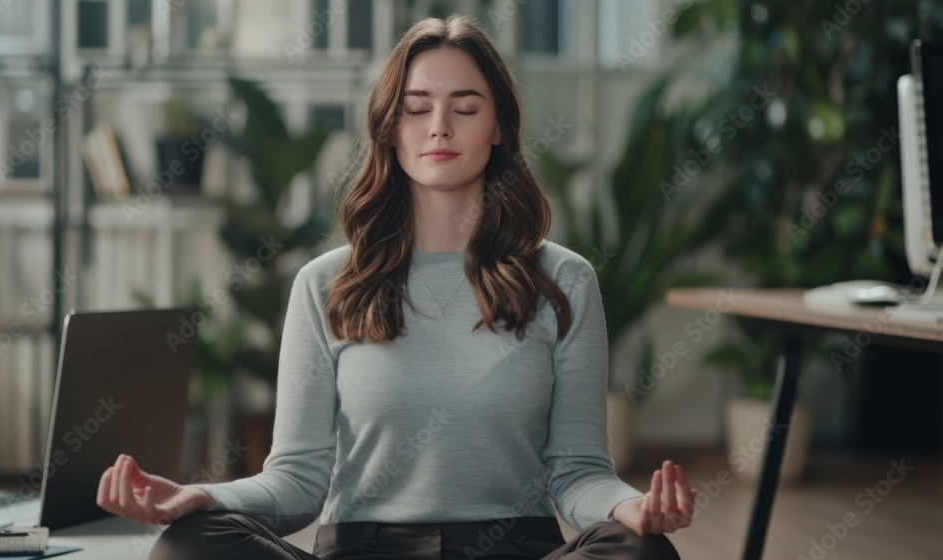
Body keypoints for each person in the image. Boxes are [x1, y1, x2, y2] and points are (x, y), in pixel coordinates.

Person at [96, 14, 696, 559]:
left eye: (465, 108)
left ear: (498, 130)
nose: (440, 127)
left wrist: (631, 508)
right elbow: (298, 482)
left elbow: (578, 473)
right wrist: (198, 497)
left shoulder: (564, 280)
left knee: (641, 551)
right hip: (365, 551)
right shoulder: (324, 283)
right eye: (416, 108)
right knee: (189, 546)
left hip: (514, 549)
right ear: (389, 128)